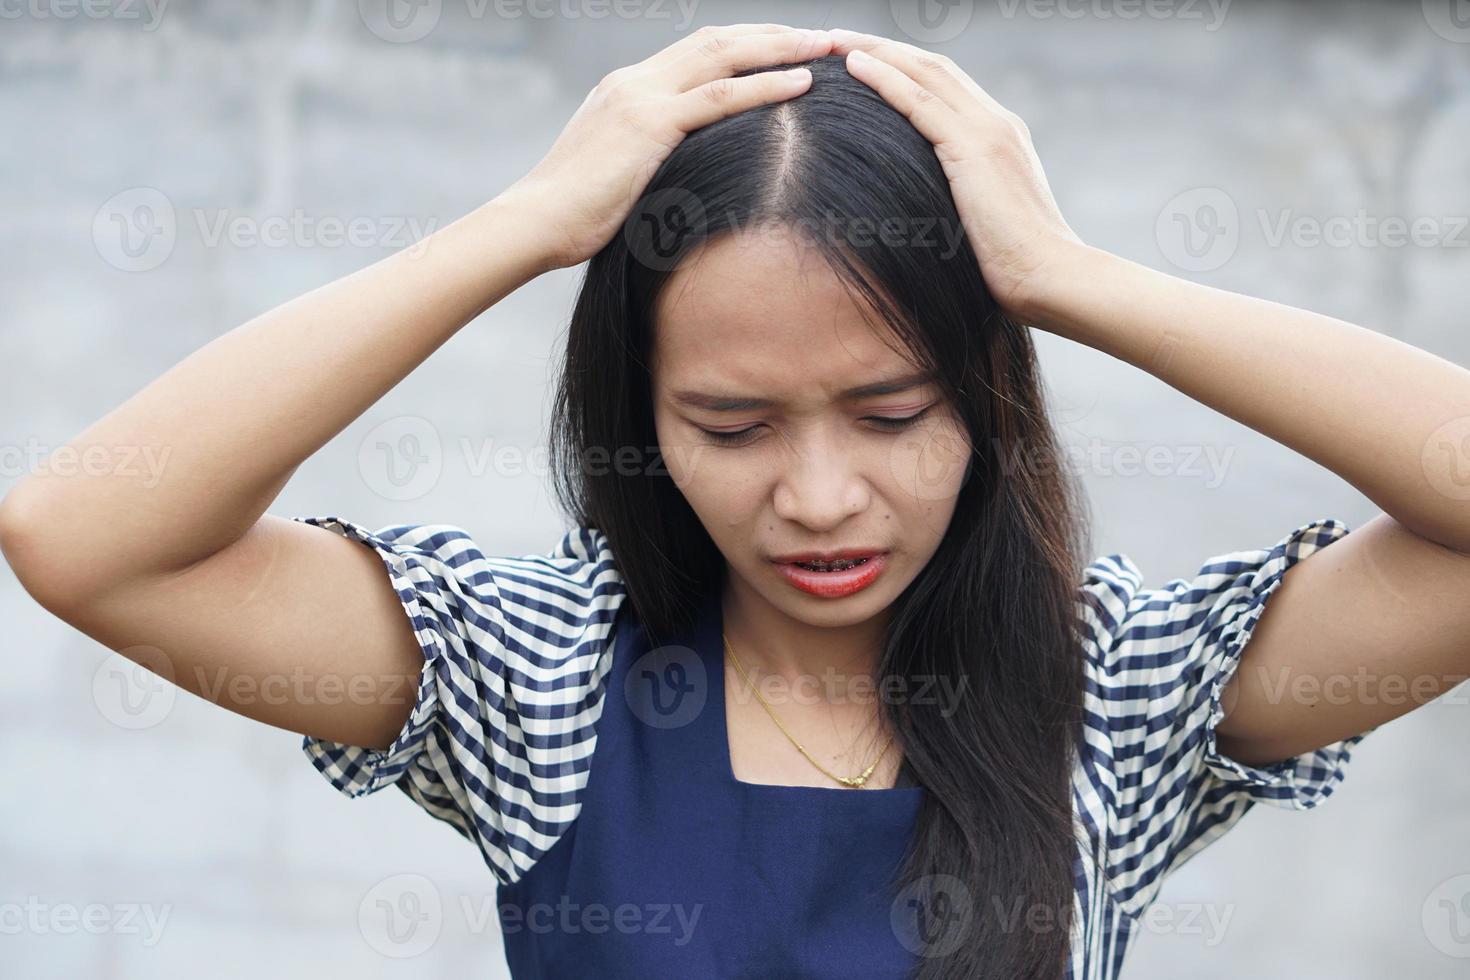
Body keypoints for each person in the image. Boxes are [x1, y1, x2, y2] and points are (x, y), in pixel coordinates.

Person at [4, 22, 1469, 980]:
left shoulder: (1115, 687)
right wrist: (525, 226)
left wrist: (1076, 280)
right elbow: (84, 536)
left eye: (893, 413)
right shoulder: (540, 677)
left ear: (986, 396)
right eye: (730, 424)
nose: (819, 499)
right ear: (636, 415)